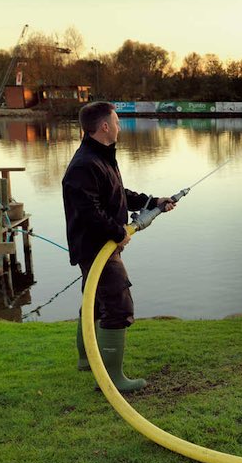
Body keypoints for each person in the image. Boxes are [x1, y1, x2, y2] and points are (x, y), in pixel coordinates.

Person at [62, 101, 175, 392]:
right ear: (104, 126)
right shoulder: (84, 164)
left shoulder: (100, 157)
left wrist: (153, 202)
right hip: (96, 249)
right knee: (117, 305)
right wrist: (117, 232)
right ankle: (112, 380)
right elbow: (90, 210)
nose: (120, 126)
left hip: (101, 245)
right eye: (116, 121)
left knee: (94, 302)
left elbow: (116, 195)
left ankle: (88, 360)